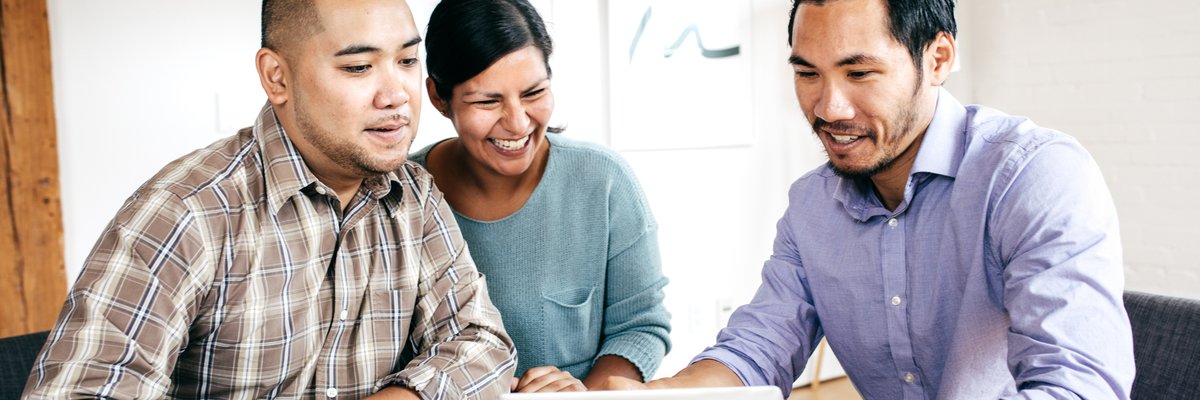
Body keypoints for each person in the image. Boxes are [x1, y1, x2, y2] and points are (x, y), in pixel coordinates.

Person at [603, 0, 1135, 398]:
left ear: (938, 58)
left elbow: (1078, 385)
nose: (828, 107)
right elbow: (754, 351)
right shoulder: (811, 208)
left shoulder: (1030, 176)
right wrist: (658, 395)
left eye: (859, 73)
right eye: (808, 73)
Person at [22, 0, 515, 398]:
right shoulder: (187, 212)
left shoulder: (414, 196)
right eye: (360, 66)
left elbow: (482, 343)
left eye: (407, 60)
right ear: (277, 77)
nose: (398, 95)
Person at [409, 0, 671, 393]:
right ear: (438, 97)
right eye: (487, 101)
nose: (517, 122)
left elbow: (641, 325)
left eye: (534, 92)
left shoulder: (604, 182)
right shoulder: (401, 197)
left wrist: (581, 395)